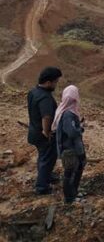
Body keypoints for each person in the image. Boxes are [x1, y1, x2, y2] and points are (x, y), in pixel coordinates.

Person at [27, 66, 62, 195]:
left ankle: (47, 176)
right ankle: (42, 187)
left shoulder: (33, 92)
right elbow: (46, 116)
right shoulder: (45, 98)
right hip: (43, 135)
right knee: (46, 159)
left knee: (45, 157)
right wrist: (47, 132)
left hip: (33, 131)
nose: (56, 84)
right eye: (55, 82)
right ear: (48, 83)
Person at [53, 85, 86, 204]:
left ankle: (73, 192)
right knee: (70, 173)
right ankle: (70, 198)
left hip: (72, 148)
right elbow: (71, 133)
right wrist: (80, 129)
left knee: (75, 170)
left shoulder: (67, 112)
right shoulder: (68, 115)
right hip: (70, 149)